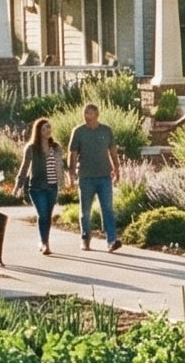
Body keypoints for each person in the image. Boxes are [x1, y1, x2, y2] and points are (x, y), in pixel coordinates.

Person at [64, 102, 120, 251]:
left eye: (90, 113)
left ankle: (111, 240)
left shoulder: (106, 131)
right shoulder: (79, 131)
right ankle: (85, 238)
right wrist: (71, 173)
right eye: (85, 113)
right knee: (85, 211)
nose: (87, 116)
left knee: (107, 208)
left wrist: (117, 168)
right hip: (86, 177)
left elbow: (112, 150)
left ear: (97, 115)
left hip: (104, 176)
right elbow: (73, 153)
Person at [15, 117, 63, 255]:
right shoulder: (31, 148)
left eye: (48, 127)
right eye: (43, 128)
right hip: (37, 188)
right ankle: (44, 243)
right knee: (42, 215)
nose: (47, 130)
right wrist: (18, 184)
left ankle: (44, 241)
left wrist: (65, 181)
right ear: (38, 131)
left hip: (52, 187)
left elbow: (59, 166)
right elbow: (24, 167)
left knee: (48, 216)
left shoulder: (56, 147)